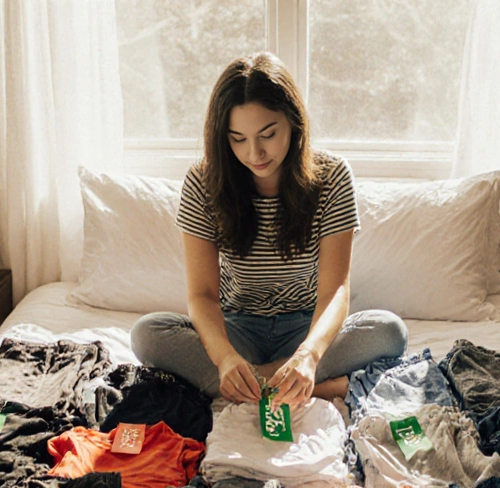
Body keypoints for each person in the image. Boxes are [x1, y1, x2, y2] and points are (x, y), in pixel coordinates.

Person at [131, 52, 407, 407]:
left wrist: (308, 355)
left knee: (388, 331)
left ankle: (255, 386)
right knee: (147, 335)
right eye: (237, 138)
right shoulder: (203, 182)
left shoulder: (332, 176)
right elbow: (201, 296)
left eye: (267, 134)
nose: (254, 152)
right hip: (236, 329)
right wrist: (225, 359)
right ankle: (309, 388)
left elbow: (336, 289)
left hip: (305, 328)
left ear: (293, 122)